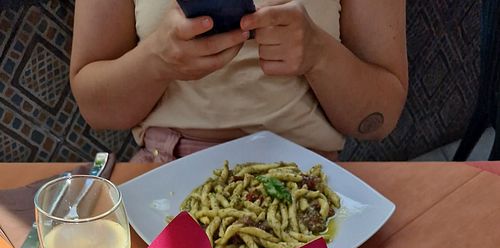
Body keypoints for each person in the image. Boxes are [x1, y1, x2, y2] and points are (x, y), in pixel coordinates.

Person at [70, 0, 408, 164]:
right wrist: (155, 60)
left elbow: (379, 119)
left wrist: (320, 55)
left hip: (311, 180)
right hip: (164, 171)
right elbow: (97, 110)